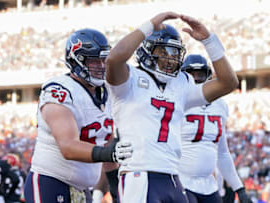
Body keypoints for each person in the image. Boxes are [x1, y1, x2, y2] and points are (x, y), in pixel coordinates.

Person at [105, 11, 239, 203]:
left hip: (172, 176)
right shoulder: (128, 80)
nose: (171, 58)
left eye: (175, 52)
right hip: (139, 173)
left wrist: (209, 41)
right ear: (148, 50)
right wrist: (148, 26)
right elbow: (113, 59)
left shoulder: (180, 83)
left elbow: (228, 83)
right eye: (165, 52)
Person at [23, 28, 133, 203]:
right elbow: (68, 147)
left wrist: (114, 186)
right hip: (50, 183)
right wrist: (109, 153)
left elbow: (107, 143)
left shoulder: (107, 92)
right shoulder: (59, 90)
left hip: (83, 190)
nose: (102, 66)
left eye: (103, 60)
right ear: (76, 60)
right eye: (94, 61)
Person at [178, 54, 252, 203]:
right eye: (192, 75)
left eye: (200, 74)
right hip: (182, 182)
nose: (196, 79)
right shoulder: (178, 100)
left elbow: (222, 153)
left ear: (208, 76)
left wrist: (239, 189)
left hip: (209, 186)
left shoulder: (220, 105)